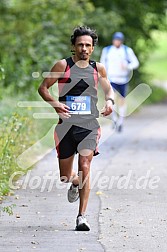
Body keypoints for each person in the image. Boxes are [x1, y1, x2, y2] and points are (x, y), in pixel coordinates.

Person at [38, 26, 115, 231]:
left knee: (85, 165)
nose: (84, 48)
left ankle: (81, 216)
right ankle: (74, 182)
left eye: (88, 45)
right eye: (80, 44)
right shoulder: (63, 65)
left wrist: (109, 102)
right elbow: (43, 88)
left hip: (89, 126)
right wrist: (56, 104)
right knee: (66, 176)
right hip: (65, 128)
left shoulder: (98, 69)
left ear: (92, 48)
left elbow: (108, 90)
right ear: (73, 46)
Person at [100, 32, 139, 132]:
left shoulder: (127, 50)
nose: (117, 42)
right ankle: (114, 119)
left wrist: (127, 66)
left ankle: (121, 121)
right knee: (111, 99)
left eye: (119, 40)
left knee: (122, 100)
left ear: (121, 41)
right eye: (115, 40)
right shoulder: (107, 50)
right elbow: (102, 63)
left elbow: (135, 63)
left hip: (123, 79)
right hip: (111, 78)